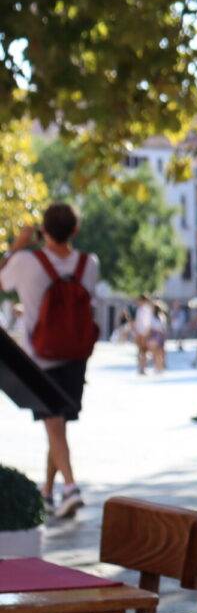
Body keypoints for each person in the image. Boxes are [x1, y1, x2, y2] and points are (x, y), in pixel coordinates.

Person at [0, 204, 101, 519]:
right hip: (77, 355)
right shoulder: (90, 264)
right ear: (75, 230)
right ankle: (47, 492)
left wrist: (16, 246)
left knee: (54, 425)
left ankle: (69, 488)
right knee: (56, 426)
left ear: (43, 230)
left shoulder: (26, 262)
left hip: (41, 357)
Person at [132, 294, 155, 375]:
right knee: (140, 351)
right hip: (139, 332)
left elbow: (148, 323)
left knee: (144, 351)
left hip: (144, 333)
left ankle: (143, 368)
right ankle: (141, 367)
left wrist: (145, 333)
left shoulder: (146, 309)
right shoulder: (140, 309)